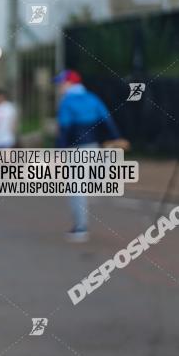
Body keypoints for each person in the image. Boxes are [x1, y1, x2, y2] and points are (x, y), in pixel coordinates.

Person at [54, 69, 124, 242]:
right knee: (83, 183)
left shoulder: (66, 102)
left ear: (70, 83)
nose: (59, 87)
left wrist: (59, 152)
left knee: (75, 189)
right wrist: (116, 137)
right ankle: (98, 177)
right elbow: (107, 120)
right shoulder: (93, 98)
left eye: (61, 83)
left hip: (75, 149)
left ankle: (80, 228)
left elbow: (64, 129)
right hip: (92, 146)